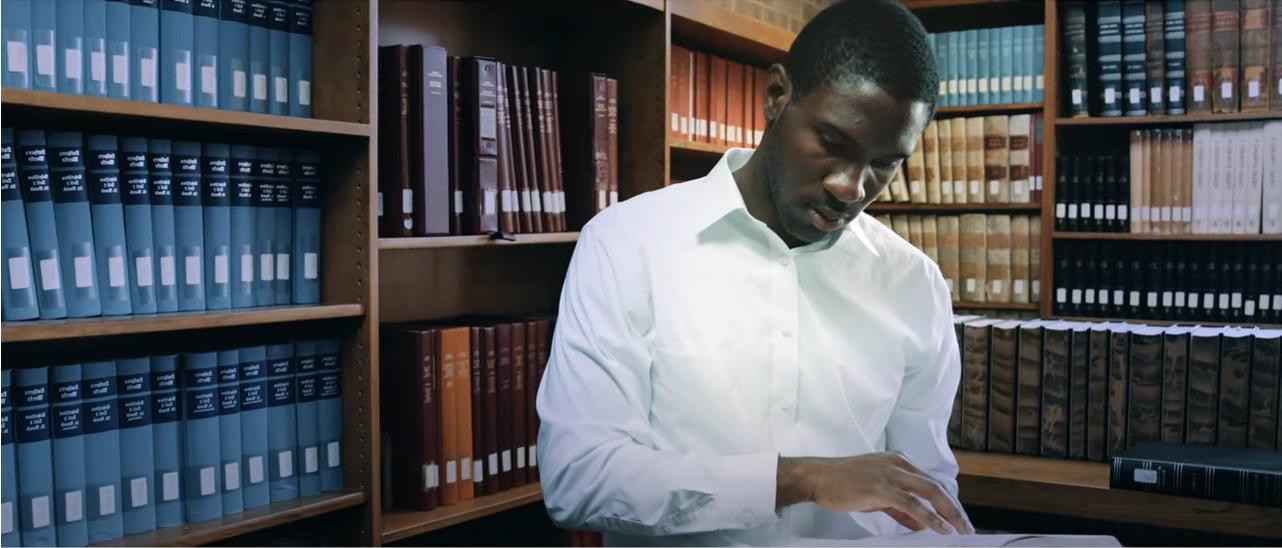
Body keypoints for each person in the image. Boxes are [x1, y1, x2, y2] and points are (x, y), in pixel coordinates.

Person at [536, 0, 974, 544]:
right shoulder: (627, 245)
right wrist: (802, 479)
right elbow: (579, 479)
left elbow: (926, 497)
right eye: (834, 143)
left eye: (884, 163)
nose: (851, 186)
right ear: (776, 95)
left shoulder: (915, 285)